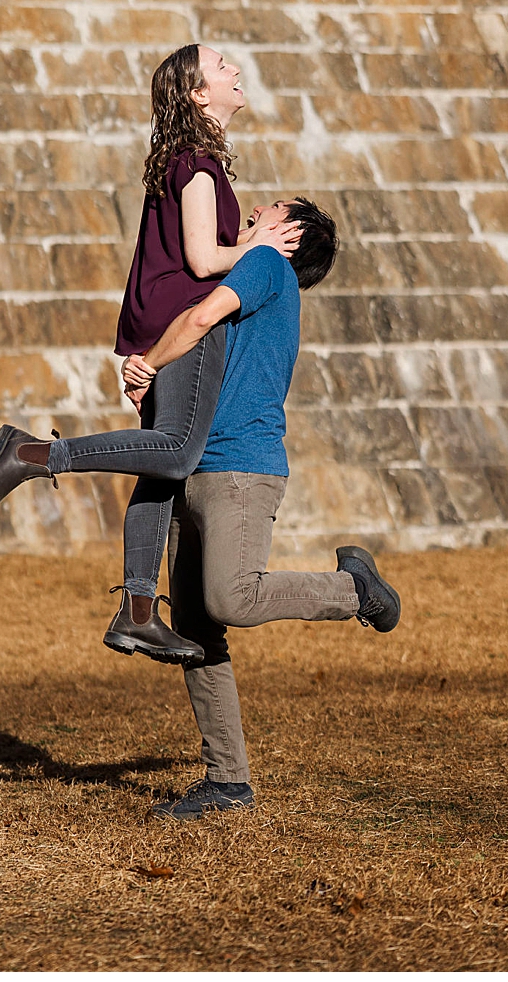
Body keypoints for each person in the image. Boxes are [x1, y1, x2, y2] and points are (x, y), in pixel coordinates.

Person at [26, 197, 400, 820]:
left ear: (290, 232)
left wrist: (149, 360)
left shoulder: (266, 267)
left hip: (241, 468)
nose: (254, 206)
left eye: (271, 206)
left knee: (233, 597)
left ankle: (355, 591)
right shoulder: (241, 271)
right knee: (199, 630)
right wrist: (149, 386)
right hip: (193, 466)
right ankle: (228, 781)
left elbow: (199, 321)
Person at [0, 44, 300, 664]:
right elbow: (204, 262)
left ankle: (139, 611)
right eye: (222, 65)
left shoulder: (180, 162)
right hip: (184, 326)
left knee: (159, 467)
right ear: (199, 94)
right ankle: (33, 454)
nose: (234, 69)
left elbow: (189, 252)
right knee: (178, 453)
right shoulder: (201, 166)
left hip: (157, 323)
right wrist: (259, 248)